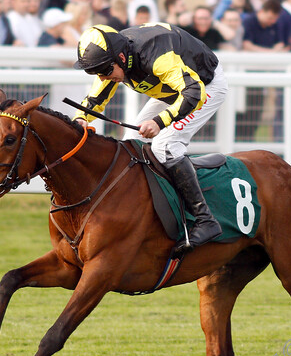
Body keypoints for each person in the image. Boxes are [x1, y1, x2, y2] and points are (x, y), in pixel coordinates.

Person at [72, 24, 227, 254]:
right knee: (132, 142)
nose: (103, 77)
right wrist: (80, 118)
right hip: (172, 90)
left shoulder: (157, 57)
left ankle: (205, 220)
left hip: (202, 86)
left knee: (165, 145)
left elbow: (193, 92)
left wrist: (159, 122)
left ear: (121, 58)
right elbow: (97, 96)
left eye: (105, 70)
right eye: (96, 73)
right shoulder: (113, 59)